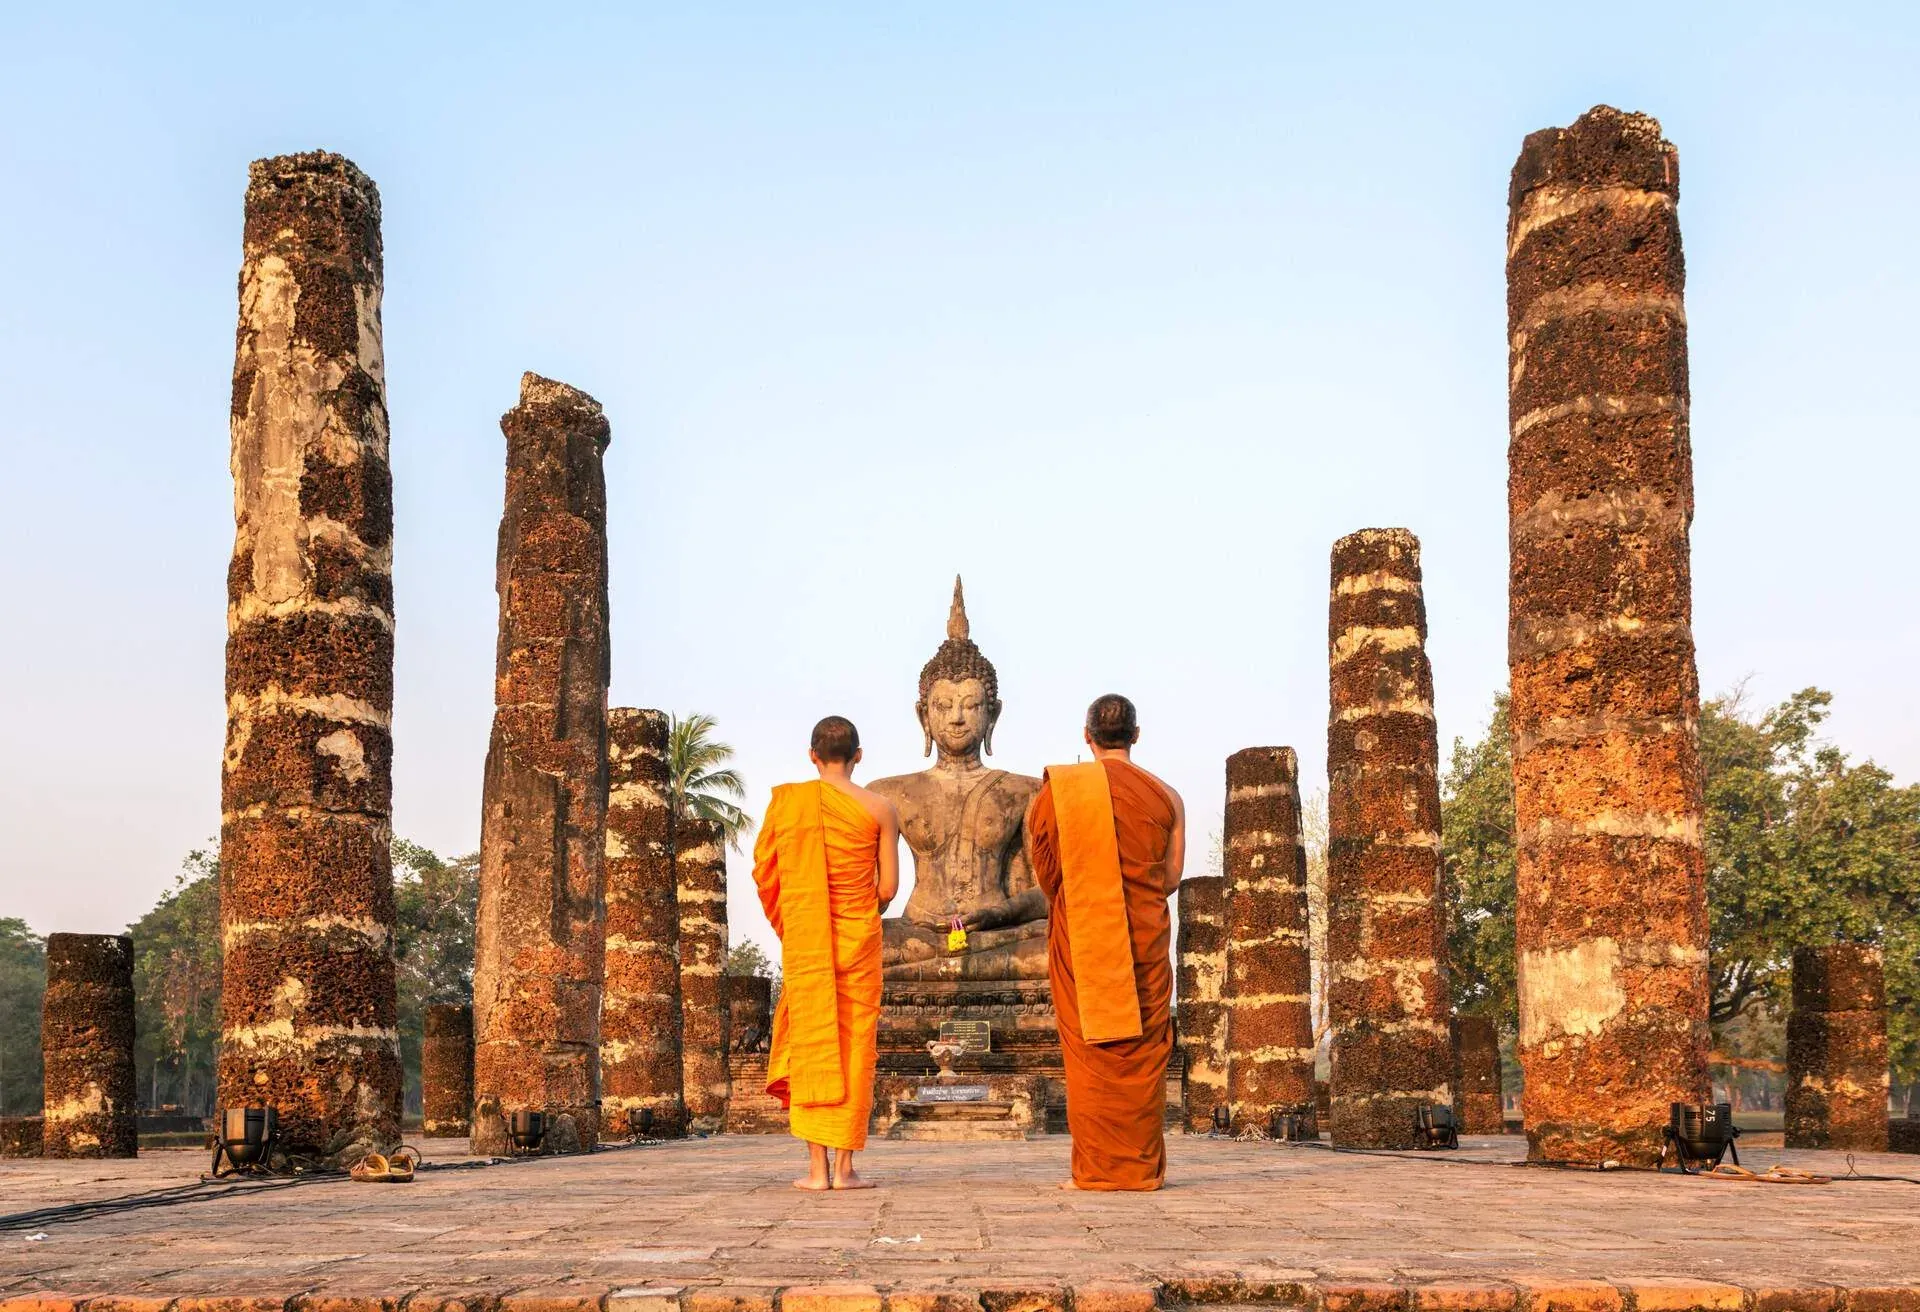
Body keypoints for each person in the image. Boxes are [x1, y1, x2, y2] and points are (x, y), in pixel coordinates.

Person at [1027, 694, 1185, 1190]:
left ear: (1086, 735)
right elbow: (1171, 877)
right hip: (1143, 940)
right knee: (1140, 1049)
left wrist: (1095, 897)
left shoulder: (1059, 794)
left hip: (1085, 937)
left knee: (1091, 1052)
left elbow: (1048, 877)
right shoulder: (1166, 795)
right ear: (1136, 735)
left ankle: (1095, 1170)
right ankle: (1138, 1168)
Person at [753, 715, 901, 1190]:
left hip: (809, 943)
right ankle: (845, 1169)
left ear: (812, 755)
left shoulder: (788, 805)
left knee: (812, 1043)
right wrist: (855, 907)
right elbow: (890, 887)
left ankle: (816, 1171)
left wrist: (803, 913)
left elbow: (765, 874)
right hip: (858, 940)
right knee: (856, 1048)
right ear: (859, 755)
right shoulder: (881, 807)